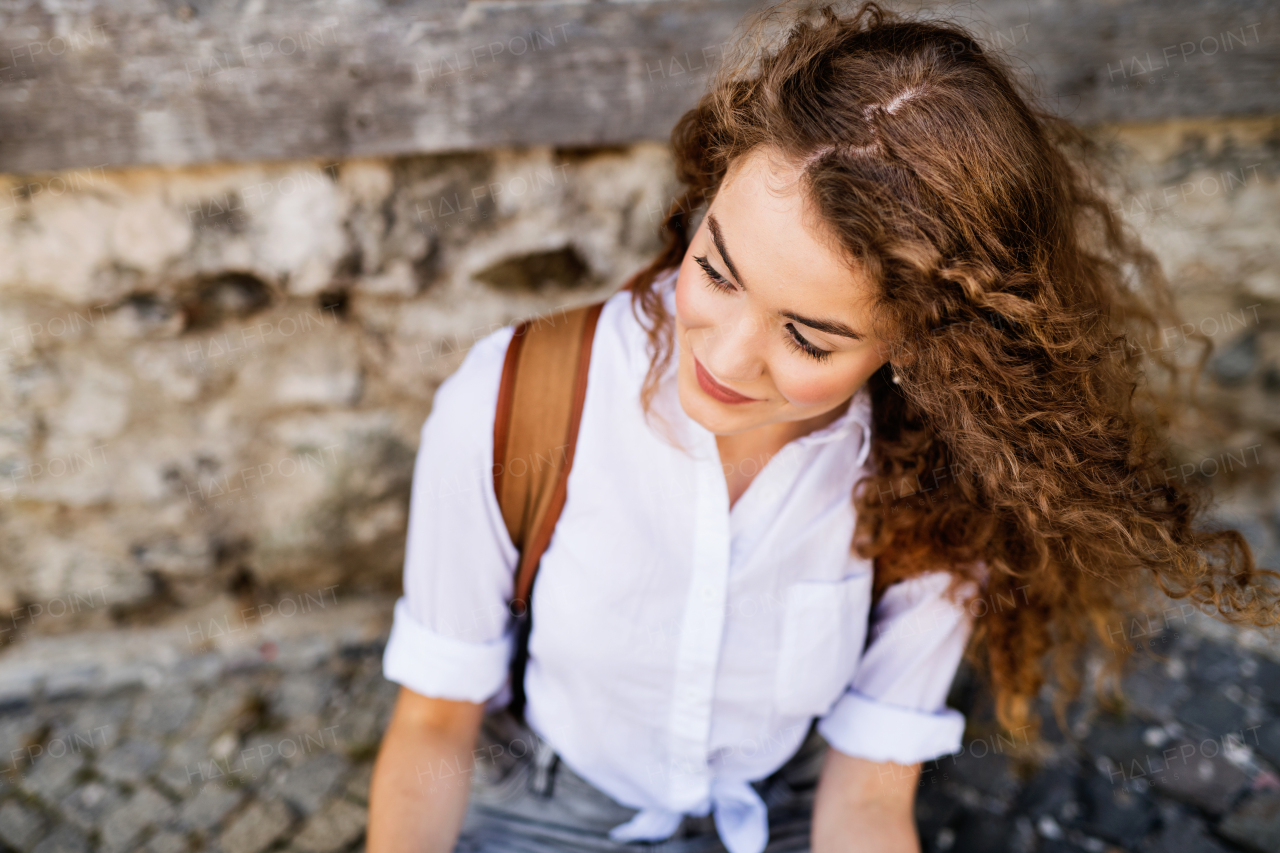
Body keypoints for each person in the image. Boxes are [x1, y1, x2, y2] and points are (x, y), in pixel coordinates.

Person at [367, 2, 1279, 851]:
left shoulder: (939, 484)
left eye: (807, 336)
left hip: (791, 809)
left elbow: (870, 797)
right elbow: (434, 724)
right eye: (716, 271)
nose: (723, 360)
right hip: (546, 808)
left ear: (921, 343)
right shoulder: (509, 401)